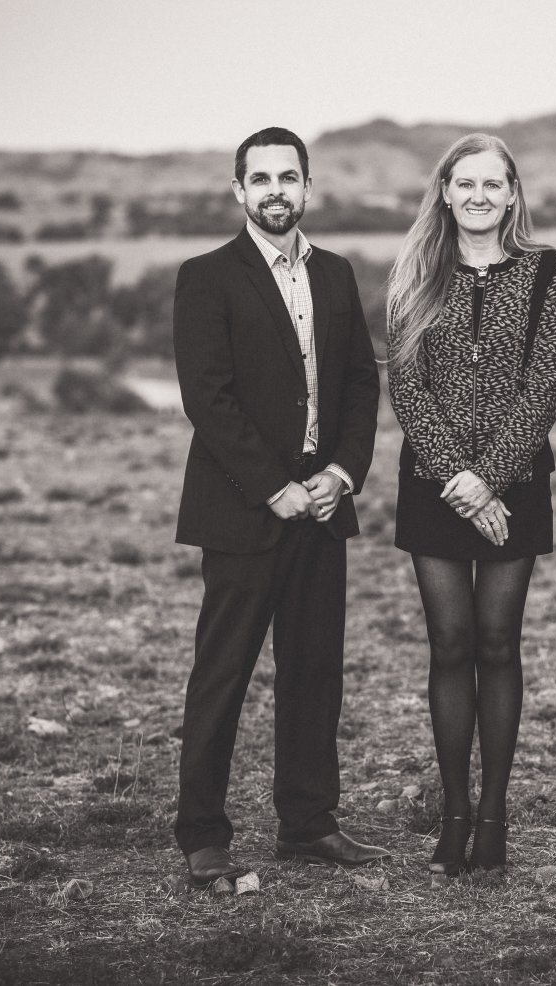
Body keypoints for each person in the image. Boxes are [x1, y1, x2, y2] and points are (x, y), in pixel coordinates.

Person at [171, 127, 384, 884]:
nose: (275, 191)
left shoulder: (336, 273)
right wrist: (274, 486)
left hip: (322, 507)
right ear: (239, 191)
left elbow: (360, 383)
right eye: (259, 179)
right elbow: (208, 397)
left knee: (314, 672)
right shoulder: (206, 276)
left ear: (308, 187)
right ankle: (202, 832)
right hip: (243, 509)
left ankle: (308, 823)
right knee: (223, 673)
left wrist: (342, 473)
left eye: (287, 178)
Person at [385, 133, 556, 875]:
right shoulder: (413, 274)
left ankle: (493, 814)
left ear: (513, 193)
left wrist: (489, 478)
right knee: (449, 643)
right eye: (465, 183)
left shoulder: (546, 271)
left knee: (497, 643)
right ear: (446, 192)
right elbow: (407, 389)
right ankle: (454, 811)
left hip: (514, 484)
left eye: (493, 184)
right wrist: (458, 479)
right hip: (433, 486)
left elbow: (545, 386)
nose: (479, 196)